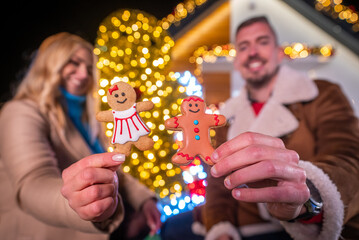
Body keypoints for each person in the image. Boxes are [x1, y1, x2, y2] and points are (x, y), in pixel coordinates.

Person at [161, 16, 359, 240]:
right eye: (243, 46)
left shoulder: (320, 94)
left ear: (279, 53)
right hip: (243, 225)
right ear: (237, 62)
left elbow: (349, 157)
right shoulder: (228, 115)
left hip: (299, 224)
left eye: (262, 42)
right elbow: (217, 183)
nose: (252, 52)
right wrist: (220, 228)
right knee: (171, 227)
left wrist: (308, 194)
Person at [0, 32, 161, 240]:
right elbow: (32, 182)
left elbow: (113, 169)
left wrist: (144, 199)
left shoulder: (87, 121)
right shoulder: (21, 112)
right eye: (73, 63)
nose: (84, 74)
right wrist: (81, 204)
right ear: (50, 64)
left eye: (89, 68)